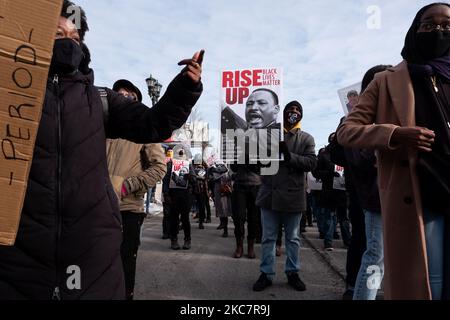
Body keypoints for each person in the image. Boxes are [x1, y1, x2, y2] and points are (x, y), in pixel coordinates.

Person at [0, 0, 203, 300]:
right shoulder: (10, 94)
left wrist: (184, 88)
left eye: (75, 38)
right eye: (57, 34)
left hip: (91, 250)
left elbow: (153, 124)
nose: (67, 44)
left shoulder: (101, 100)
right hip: (20, 252)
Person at [337, 3, 450, 300]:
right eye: (429, 24)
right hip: (423, 197)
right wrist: (394, 134)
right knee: (430, 285)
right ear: (414, 30)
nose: (438, 31)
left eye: (447, 26)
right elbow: (346, 133)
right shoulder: (386, 80)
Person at [106, 79, 167, 300]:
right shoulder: (102, 125)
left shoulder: (143, 129)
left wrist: (126, 186)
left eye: (129, 94)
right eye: (118, 93)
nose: (122, 95)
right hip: (97, 207)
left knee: (124, 265)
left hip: (127, 209)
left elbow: (160, 168)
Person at [253, 101, 317, 292]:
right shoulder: (270, 136)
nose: (293, 112)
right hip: (269, 195)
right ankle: (266, 273)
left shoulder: (306, 138)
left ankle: (293, 272)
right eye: (290, 109)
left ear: (301, 115)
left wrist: (289, 156)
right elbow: (258, 163)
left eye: (297, 110)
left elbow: (311, 163)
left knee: (293, 238)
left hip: (293, 197)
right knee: (268, 238)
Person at [163, 148, 195, 250]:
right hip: (174, 195)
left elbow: (194, 180)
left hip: (185, 195)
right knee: (174, 219)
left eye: (182, 153)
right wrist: (166, 194)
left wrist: (190, 177)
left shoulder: (189, 165)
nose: (180, 154)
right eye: (179, 153)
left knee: (185, 219)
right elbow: (166, 179)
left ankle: (187, 240)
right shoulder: (170, 164)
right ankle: (174, 240)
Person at [230, 163, 262, 259]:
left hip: (255, 185)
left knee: (254, 218)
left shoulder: (260, 148)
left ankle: (250, 247)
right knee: (239, 217)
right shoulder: (237, 148)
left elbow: (264, 165)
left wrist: (253, 160)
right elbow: (233, 167)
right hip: (239, 186)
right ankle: (239, 246)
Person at [208, 162, 233, 238]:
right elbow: (210, 178)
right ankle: (224, 227)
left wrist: (214, 170)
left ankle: (227, 228)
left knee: (225, 210)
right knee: (221, 210)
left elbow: (225, 171)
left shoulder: (225, 167)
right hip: (218, 191)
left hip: (225, 190)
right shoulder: (213, 169)